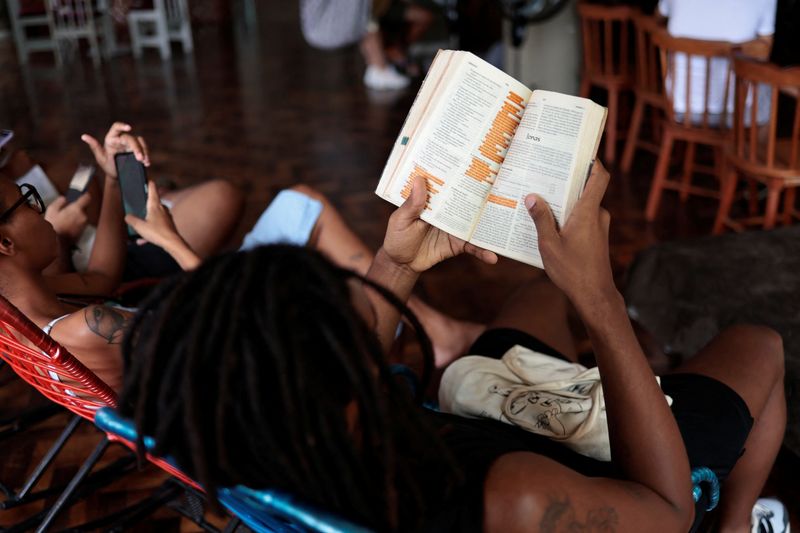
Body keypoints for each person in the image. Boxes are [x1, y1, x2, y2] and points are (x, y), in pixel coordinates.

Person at [117, 162, 788, 532]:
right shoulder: (516, 498)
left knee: (535, 294)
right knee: (757, 344)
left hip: (473, 430)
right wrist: (599, 298)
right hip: (639, 496)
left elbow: (341, 374)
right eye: (355, 326)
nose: (373, 324)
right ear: (350, 389)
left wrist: (398, 260)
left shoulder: (259, 447)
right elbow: (665, 515)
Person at [658, 0, 777, 124]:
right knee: (769, 87)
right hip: (736, 112)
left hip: (679, 106)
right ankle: (748, 143)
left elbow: (658, 18)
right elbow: (764, 52)